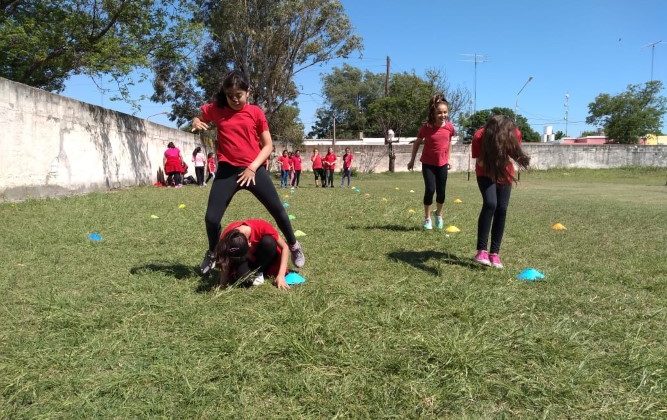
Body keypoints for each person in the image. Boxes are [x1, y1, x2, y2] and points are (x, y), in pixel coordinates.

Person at [191, 70, 305, 275]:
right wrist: (196, 122)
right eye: (230, 95)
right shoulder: (217, 109)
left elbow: (268, 145)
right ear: (225, 94)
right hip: (227, 171)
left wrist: (252, 167)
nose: (235, 99)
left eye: (239, 95)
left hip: (253, 169)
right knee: (211, 218)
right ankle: (213, 252)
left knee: (277, 209)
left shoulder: (255, 112)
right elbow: (199, 117)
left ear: (248, 92)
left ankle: (294, 245)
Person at [471, 115, 530, 269]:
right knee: (491, 204)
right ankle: (481, 251)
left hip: (505, 173)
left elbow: (514, 152)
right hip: (485, 171)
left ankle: (494, 253)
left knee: (502, 209)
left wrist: (521, 159)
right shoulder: (479, 136)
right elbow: (480, 161)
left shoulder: (514, 133)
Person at [407, 94, 456, 230]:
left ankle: (438, 214)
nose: (443, 115)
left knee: (441, 192)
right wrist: (412, 160)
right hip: (428, 163)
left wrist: (449, 159)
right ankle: (427, 218)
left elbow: (449, 142)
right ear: (433, 113)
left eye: (445, 112)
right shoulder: (426, 127)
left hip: (442, 163)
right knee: (430, 189)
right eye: (439, 112)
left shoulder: (450, 128)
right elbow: (417, 142)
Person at [215, 218, 290, 290]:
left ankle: (261, 271)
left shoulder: (262, 226)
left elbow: (285, 247)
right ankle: (253, 272)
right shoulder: (227, 238)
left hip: (265, 257)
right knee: (244, 280)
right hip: (247, 262)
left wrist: (281, 275)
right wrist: (222, 284)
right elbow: (225, 260)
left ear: (249, 243)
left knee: (268, 242)